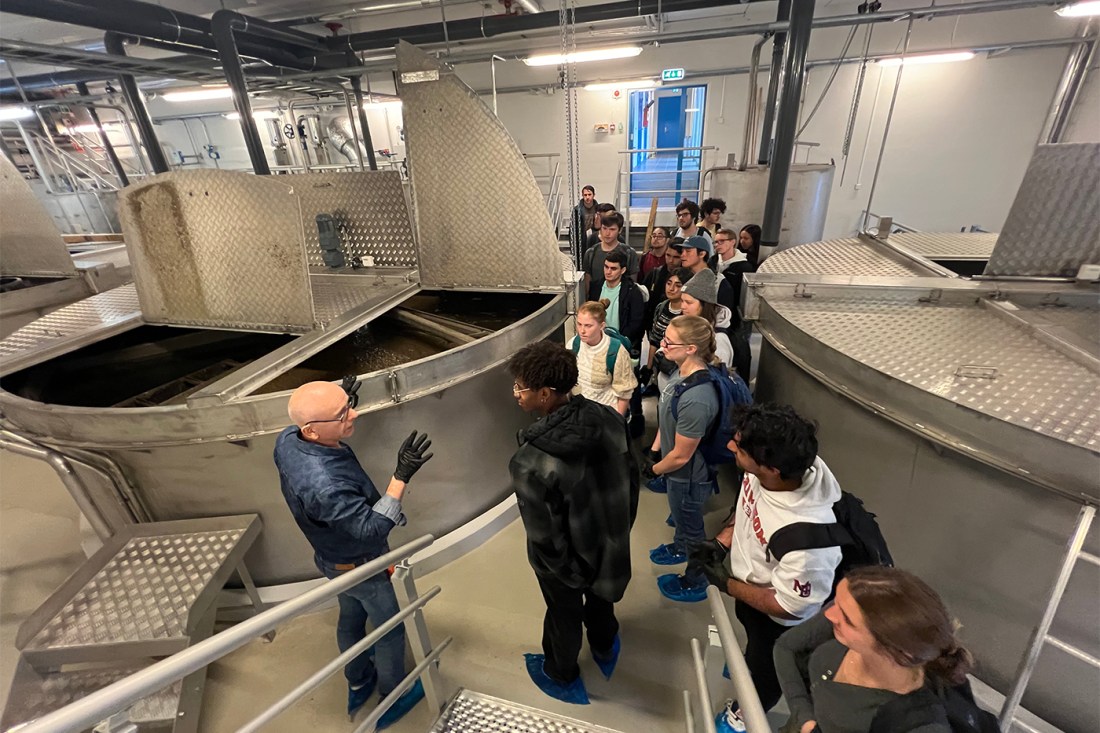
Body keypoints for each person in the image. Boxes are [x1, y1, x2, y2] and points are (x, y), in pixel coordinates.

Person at [274, 379, 434, 726]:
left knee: (350, 615)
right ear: (313, 431)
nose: (355, 414)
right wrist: (400, 476)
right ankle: (394, 695)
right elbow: (369, 531)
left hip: (332, 561)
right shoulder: (326, 484)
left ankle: (359, 679)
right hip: (361, 563)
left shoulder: (287, 441)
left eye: (349, 405)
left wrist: (336, 408)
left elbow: (307, 421)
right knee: (389, 628)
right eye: (345, 412)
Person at [508, 340, 639, 705]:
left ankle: (560, 672)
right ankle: (603, 643)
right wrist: (618, 531)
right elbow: (632, 480)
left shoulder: (529, 461)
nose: (516, 393)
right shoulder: (610, 418)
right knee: (601, 602)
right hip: (609, 540)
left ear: (545, 395)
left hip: (565, 564)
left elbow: (545, 537)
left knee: (563, 614)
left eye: (521, 387)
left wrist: (566, 573)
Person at [702, 404, 844, 716]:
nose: (729, 446)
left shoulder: (808, 541)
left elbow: (790, 608)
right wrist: (722, 543)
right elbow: (748, 504)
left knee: (765, 675)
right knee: (750, 640)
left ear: (771, 468)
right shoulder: (774, 469)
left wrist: (727, 584)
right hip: (751, 595)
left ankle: (743, 717)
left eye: (738, 447)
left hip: (776, 623)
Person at [773, 566, 973, 733]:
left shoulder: (917, 724)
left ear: (895, 651)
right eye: (837, 602)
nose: (830, 615)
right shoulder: (853, 607)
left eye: (849, 622)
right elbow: (786, 648)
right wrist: (804, 718)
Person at [645, 315, 722, 603]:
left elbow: (681, 455)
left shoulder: (698, 397)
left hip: (688, 476)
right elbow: (668, 419)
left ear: (691, 348)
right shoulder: (681, 374)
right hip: (675, 471)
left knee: (691, 527)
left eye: (668, 342)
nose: (662, 345)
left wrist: (654, 469)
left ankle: (697, 580)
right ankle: (678, 547)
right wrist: (654, 448)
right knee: (680, 518)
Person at [571, 299, 638, 416]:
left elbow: (624, 393)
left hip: (605, 416)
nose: (582, 330)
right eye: (579, 324)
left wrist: (617, 423)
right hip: (579, 413)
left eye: (588, 326)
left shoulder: (616, 351)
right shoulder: (574, 344)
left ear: (602, 326)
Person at [641, 267, 692, 393]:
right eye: (669, 283)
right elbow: (654, 340)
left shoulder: (687, 313)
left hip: (678, 369)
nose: (671, 288)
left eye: (677, 285)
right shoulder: (661, 307)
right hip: (660, 365)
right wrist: (649, 368)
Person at [679, 268, 737, 377]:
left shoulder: (718, 341)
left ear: (704, 305)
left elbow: (714, 378)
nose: (682, 306)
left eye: (688, 302)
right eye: (682, 301)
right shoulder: (689, 326)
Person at [582, 212, 638, 295]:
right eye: (604, 228)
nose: (607, 233)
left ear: (620, 230)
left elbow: (633, 284)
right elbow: (587, 284)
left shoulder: (629, 253)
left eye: (612, 229)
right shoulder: (591, 253)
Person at [642, 237, 684, 333]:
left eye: (676, 257)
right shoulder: (655, 274)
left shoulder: (688, 278)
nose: (671, 260)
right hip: (653, 326)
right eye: (668, 255)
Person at [571, 185, 598, 254]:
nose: (587, 197)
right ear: (582, 196)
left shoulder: (598, 209)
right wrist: (573, 247)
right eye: (585, 195)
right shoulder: (577, 210)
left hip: (595, 239)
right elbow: (572, 230)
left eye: (589, 194)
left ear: (594, 195)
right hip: (581, 240)